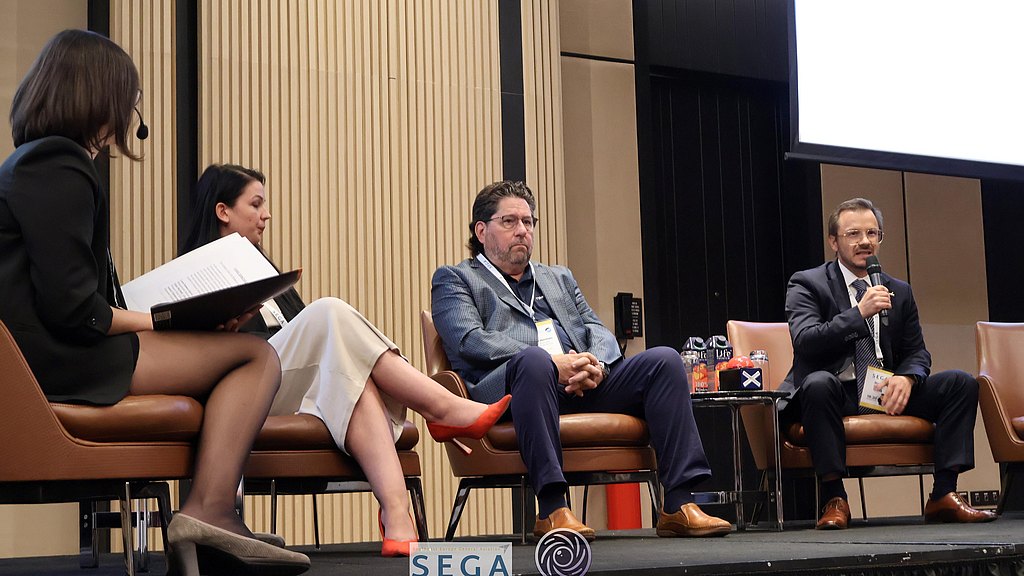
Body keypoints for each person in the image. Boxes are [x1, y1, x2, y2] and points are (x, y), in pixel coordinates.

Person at [0, 29, 310, 575]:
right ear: (98, 95)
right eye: (127, 99)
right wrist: (161, 321)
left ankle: (210, 515)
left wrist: (165, 322)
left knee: (228, 348)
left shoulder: (33, 163)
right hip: (55, 358)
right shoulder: (59, 165)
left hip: (40, 354)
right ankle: (211, 511)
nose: (127, 114)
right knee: (254, 356)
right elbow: (75, 310)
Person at [180, 163, 512, 556]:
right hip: (245, 392)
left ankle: (398, 519)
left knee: (353, 378)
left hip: (293, 387)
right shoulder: (197, 274)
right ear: (223, 211)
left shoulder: (264, 272)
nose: (266, 214)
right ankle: (439, 406)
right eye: (256, 204)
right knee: (329, 312)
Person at [430, 180, 731, 540]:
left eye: (528, 222)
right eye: (510, 222)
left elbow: (594, 327)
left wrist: (596, 366)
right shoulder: (456, 278)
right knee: (533, 362)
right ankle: (553, 508)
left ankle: (679, 503)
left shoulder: (557, 277)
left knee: (664, 361)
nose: (522, 231)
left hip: (578, 382)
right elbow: (468, 341)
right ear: (481, 230)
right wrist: (551, 362)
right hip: (512, 389)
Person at [780, 197, 996, 530]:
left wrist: (908, 378)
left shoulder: (899, 290)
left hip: (884, 390)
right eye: (853, 234)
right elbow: (806, 340)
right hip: (836, 392)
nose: (864, 241)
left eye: (872, 233)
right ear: (834, 242)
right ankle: (835, 498)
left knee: (961, 383)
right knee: (819, 383)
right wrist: (859, 313)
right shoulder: (807, 283)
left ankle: (943, 494)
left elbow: (917, 352)